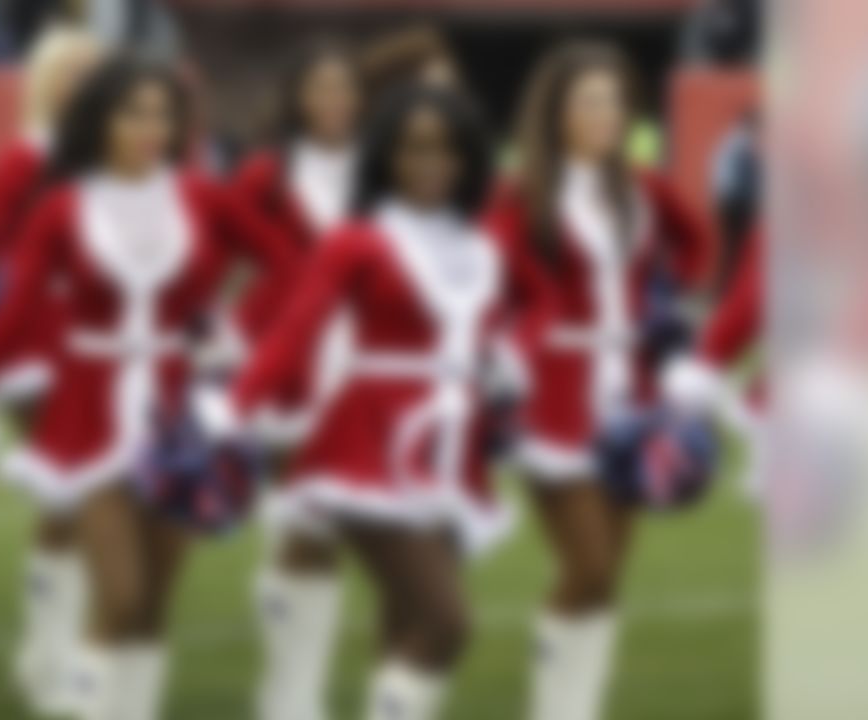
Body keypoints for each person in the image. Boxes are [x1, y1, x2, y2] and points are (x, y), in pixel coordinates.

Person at [0, 55, 297, 720]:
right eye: (133, 113)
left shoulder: (202, 196)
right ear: (100, 121)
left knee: (152, 605)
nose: (151, 127)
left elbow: (290, 265)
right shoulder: (61, 206)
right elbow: (17, 308)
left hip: (177, 411)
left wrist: (232, 329)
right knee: (121, 593)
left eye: (163, 115)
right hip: (86, 409)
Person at [200, 85, 552, 720]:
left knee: (407, 624)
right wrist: (235, 407)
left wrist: (507, 359)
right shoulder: (356, 240)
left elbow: (515, 312)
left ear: (470, 159)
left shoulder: (481, 244)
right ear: (385, 157)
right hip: (367, 442)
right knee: (449, 624)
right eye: (413, 148)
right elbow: (295, 333)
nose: (431, 162)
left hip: (452, 447)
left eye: (447, 149)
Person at [491, 40, 713, 720]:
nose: (607, 114)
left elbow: (698, 244)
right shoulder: (521, 193)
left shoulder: (641, 186)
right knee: (585, 569)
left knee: (606, 578)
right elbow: (483, 279)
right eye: (589, 101)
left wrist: (670, 317)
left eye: (615, 100)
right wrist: (508, 348)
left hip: (634, 393)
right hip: (554, 392)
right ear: (554, 112)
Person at [0, 26, 105, 713]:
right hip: (37, 343)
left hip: (102, 343)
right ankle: (51, 657)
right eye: (66, 70)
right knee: (68, 497)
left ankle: (54, 652)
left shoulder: (116, 158)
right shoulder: (25, 159)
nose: (78, 81)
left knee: (89, 500)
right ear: (44, 81)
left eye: (91, 69)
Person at [227, 40, 364, 720]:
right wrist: (239, 329)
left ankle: (292, 686)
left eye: (344, 88)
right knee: (301, 524)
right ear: (297, 99)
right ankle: (290, 695)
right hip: (295, 364)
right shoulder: (266, 175)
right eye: (320, 88)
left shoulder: (382, 166)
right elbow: (227, 252)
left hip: (367, 363)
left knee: (331, 529)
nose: (333, 101)